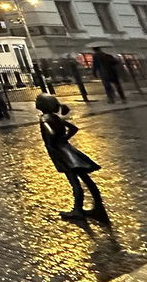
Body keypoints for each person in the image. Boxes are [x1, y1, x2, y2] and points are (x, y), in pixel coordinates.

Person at [36, 93, 107, 222]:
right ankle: (99, 207)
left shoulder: (44, 119)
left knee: (74, 182)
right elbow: (73, 128)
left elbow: (50, 133)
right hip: (69, 150)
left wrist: (51, 145)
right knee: (86, 179)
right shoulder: (55, 117)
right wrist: (64, 139)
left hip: (62, 154)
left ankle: (78, 210)